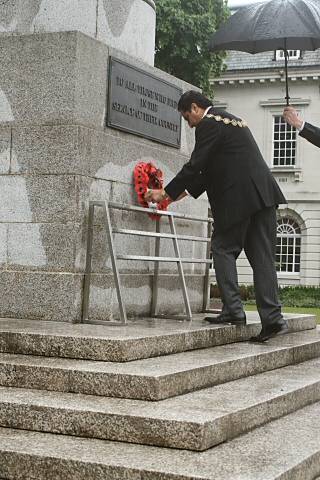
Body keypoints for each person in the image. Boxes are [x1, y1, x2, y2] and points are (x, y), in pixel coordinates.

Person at [145, 90, 288, 342]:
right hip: (263, 196)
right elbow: (207, 174)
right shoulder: (232, 121)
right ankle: (273, 319)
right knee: (262, 257)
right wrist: (169, 197)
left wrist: (164, 192)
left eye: (186, 117)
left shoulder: (208, 125)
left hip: (239, 199)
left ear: (195, 107)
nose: (188, 124)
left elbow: (196, 165)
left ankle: (233, 310)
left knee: (222, 248)